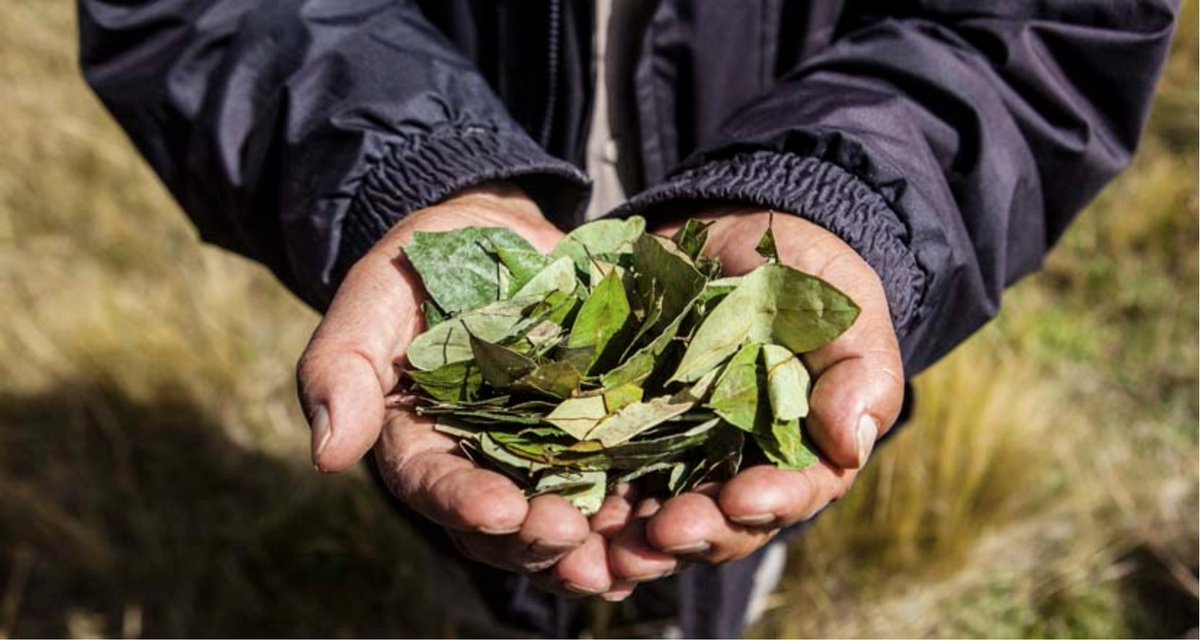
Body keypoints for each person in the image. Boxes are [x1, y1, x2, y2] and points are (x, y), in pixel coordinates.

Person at [77, 0, 1179, 636]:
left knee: (710, 562)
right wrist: (409, 166)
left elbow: (1046, 24)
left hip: (736, 400)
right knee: (493, 569)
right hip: (474, 462)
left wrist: (846, 190)